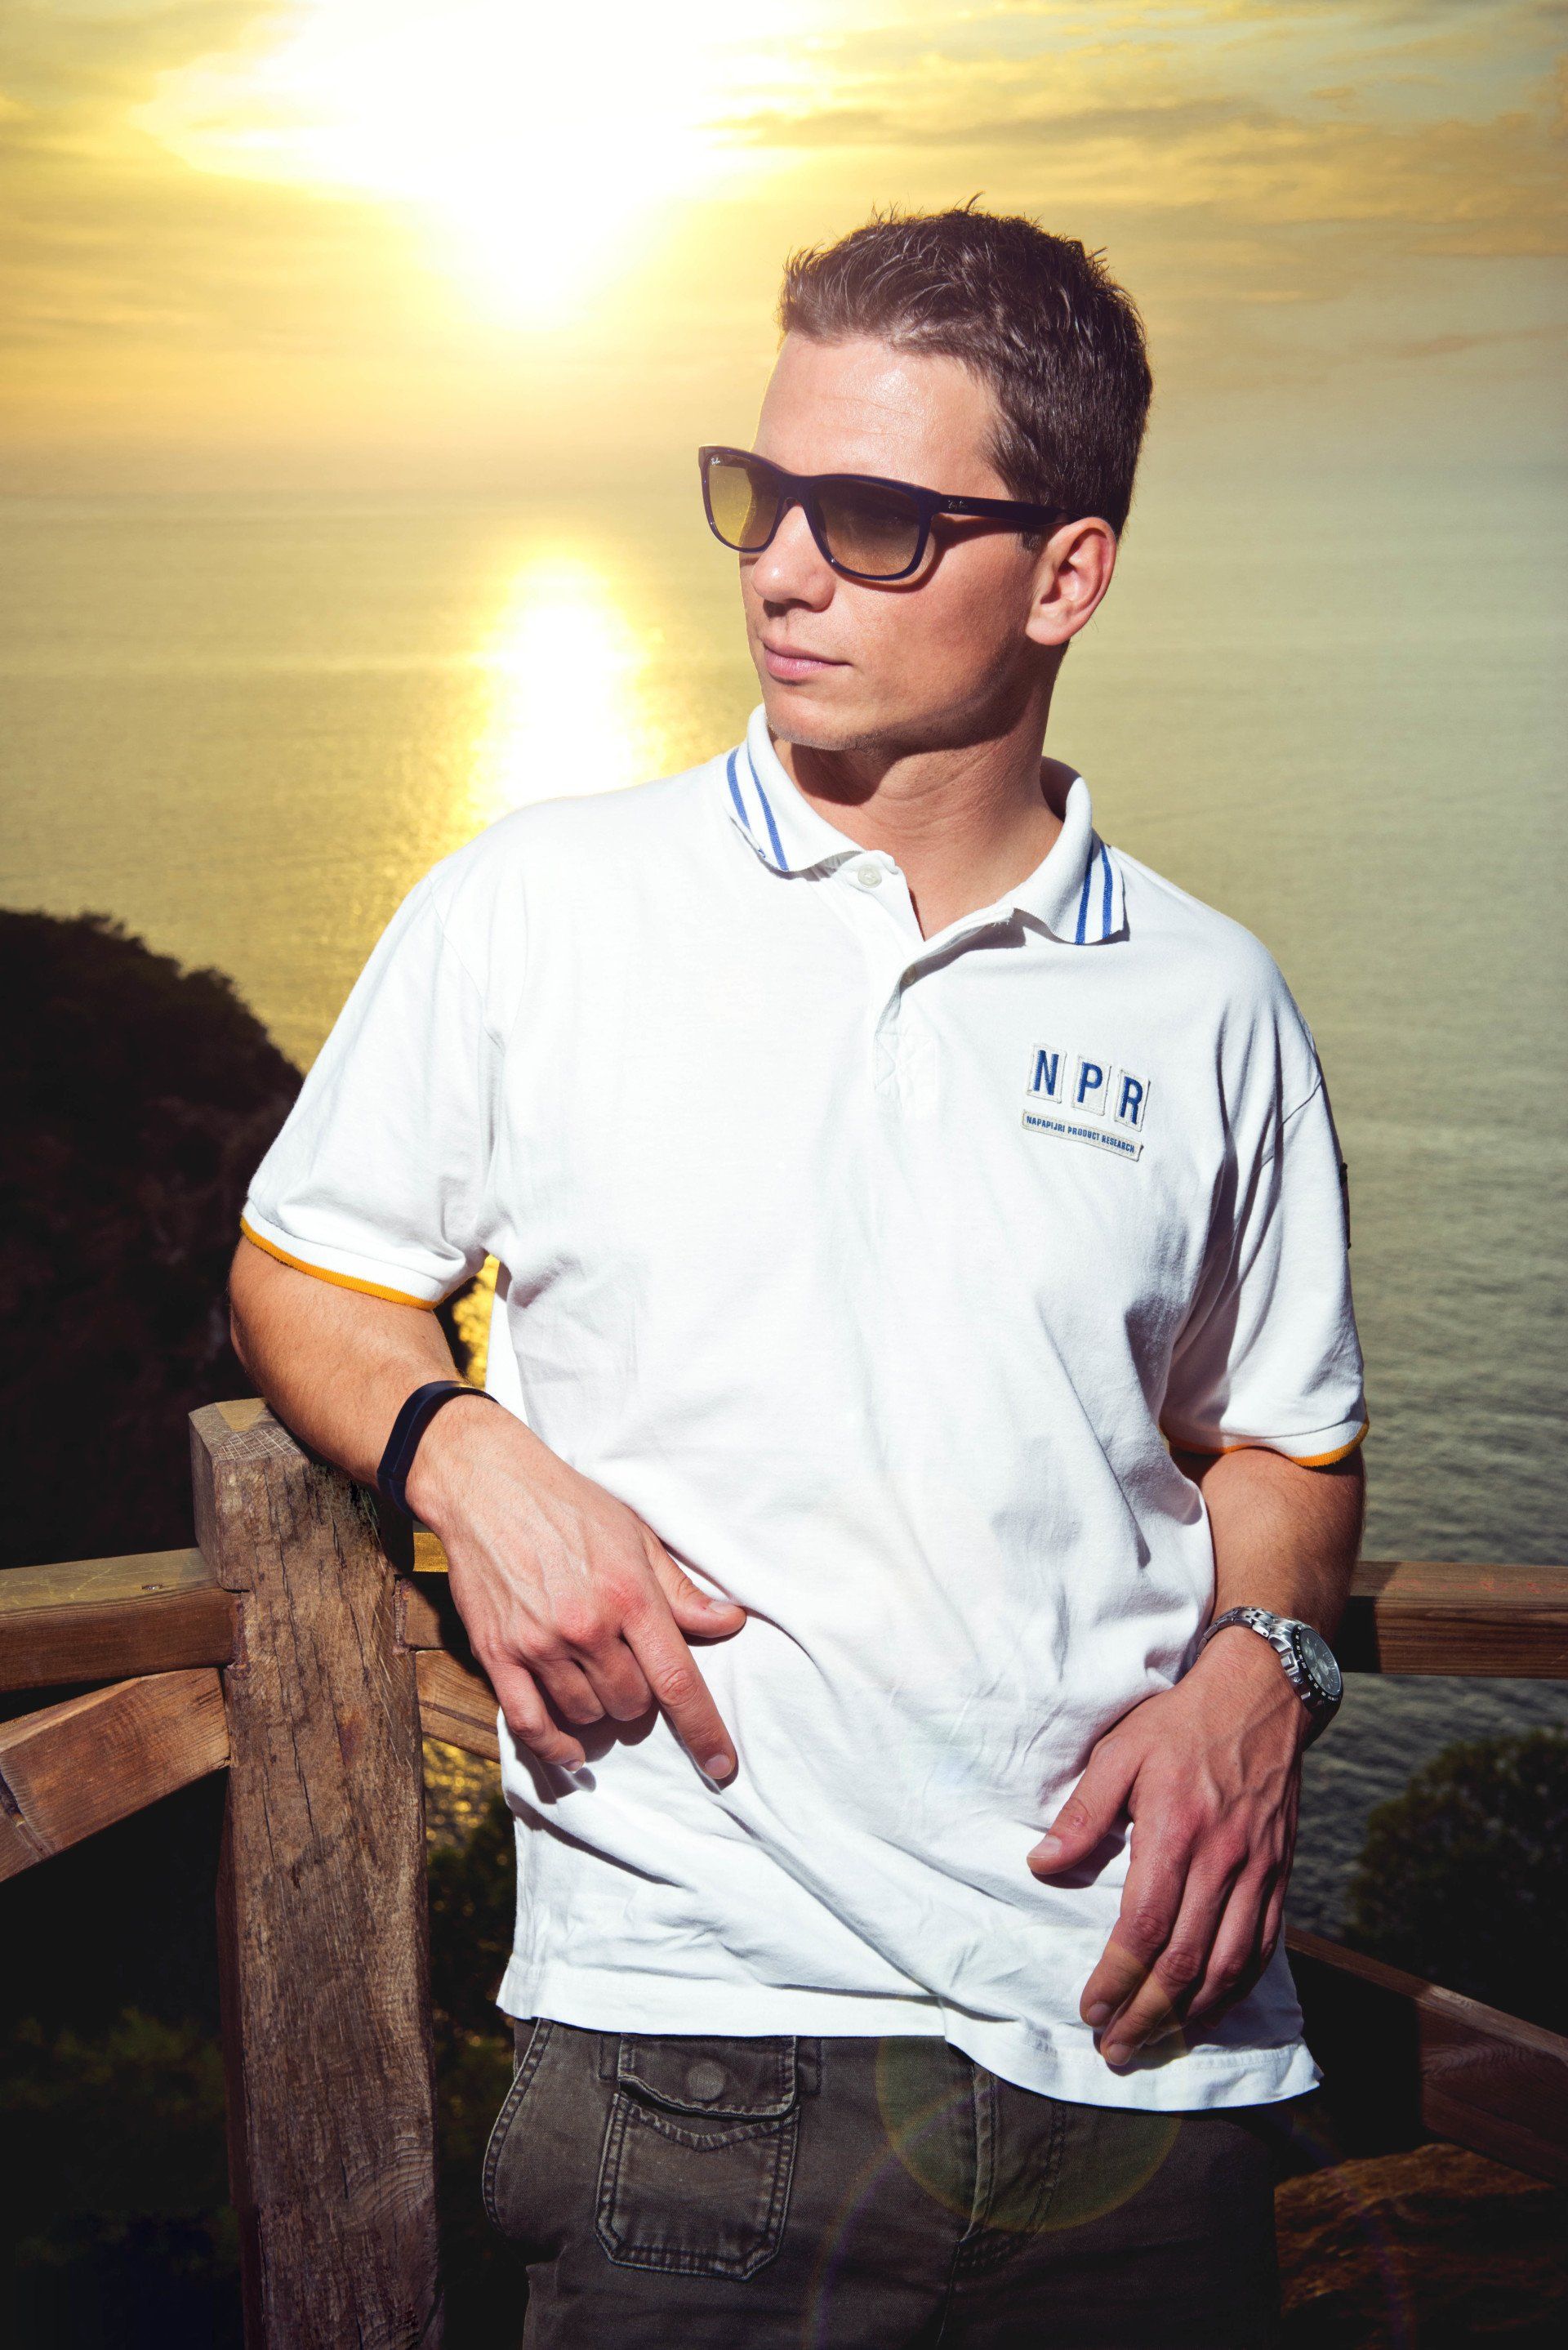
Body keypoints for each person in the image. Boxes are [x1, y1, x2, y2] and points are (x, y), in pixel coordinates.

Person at [228, 205, 1366, 2347]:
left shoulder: (1211, 997)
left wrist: (1260, 1675)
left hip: (1152, 2058)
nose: (780, 570)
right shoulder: (538, 908)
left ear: (1067, 575)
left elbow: (1283, 1441)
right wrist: (467, 1457)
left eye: (875, 520)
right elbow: (305, 1271)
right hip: (701, 2053)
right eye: (762, 494)